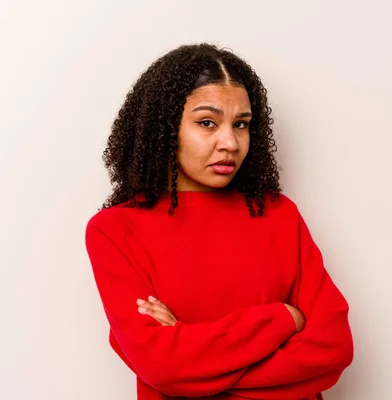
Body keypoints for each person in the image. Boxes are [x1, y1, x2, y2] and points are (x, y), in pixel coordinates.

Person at [85, 43, 354, 400]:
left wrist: (194, 371)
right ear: (164, 130)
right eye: (207, 123)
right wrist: (283, 319)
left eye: (241, 124)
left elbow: (332, 348)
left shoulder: (276, 214)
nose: (230, 142)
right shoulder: (115, 230)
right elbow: (162, 366)